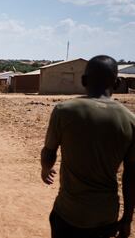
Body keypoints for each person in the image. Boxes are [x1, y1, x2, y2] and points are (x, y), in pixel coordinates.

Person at [41, 55, 135, 238]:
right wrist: (127, 219)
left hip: (69, 212)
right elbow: (132, 177)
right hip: (105, 216)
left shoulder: (64, 111)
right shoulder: (130, 121)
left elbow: (49, 152)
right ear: (116, 83)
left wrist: (46, 169)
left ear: (84, 81)